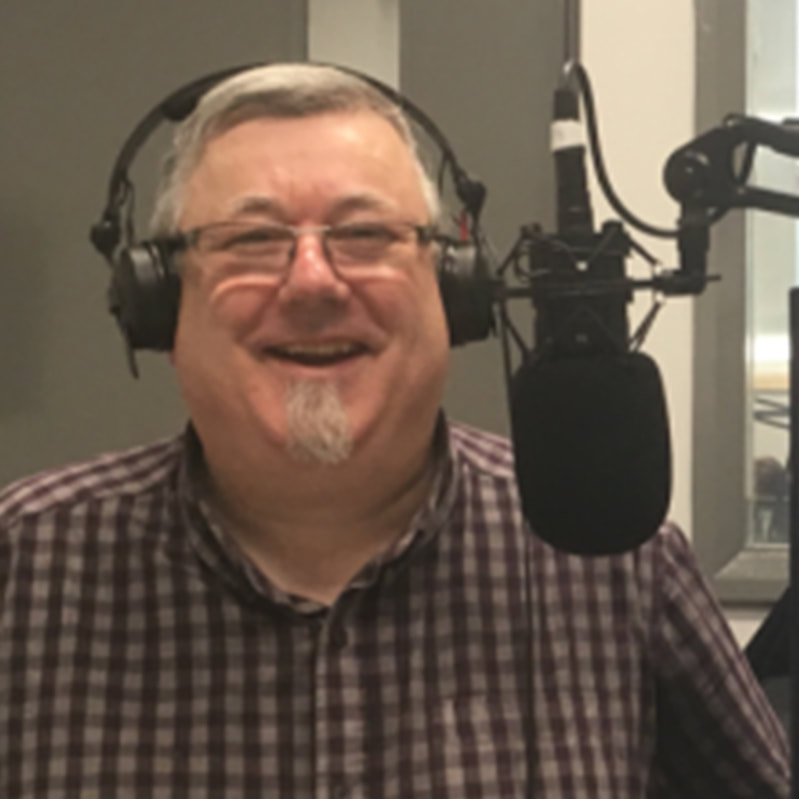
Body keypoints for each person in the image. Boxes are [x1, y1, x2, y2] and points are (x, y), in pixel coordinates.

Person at [0, 63, 789, 798]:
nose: (312, 281)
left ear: (455, 290)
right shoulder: (23, 566)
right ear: (158, 306)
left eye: (365, 235)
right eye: (251, 240)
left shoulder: (618, 562)